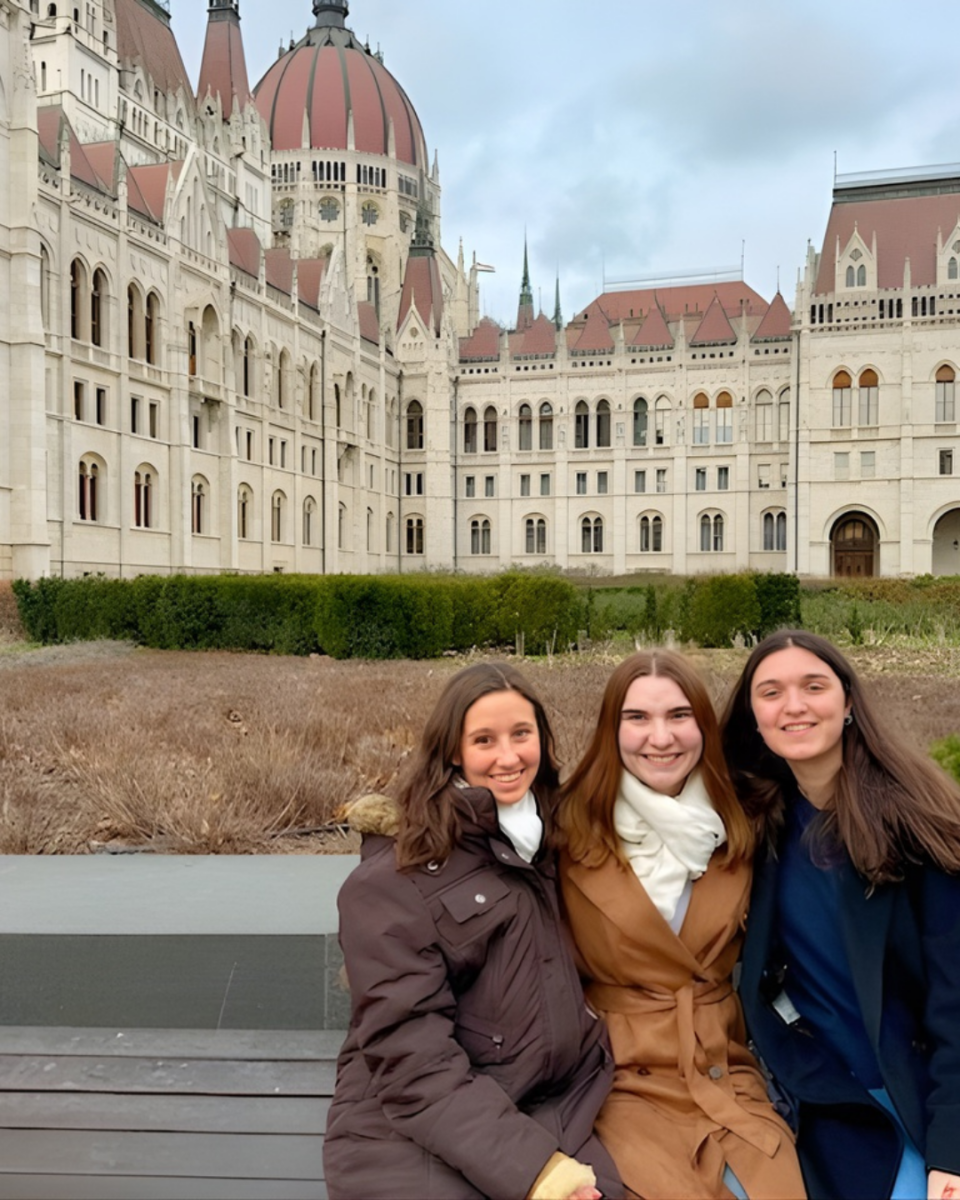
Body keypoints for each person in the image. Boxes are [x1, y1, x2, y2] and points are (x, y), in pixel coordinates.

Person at [324, 661, 622, 1200]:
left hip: (552, 1105)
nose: (508, 757)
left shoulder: (552, 839)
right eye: (484, 739)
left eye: (522, 734)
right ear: (453, 752)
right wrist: (537, 1172)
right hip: (414, 1124)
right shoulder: (393, 879)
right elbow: (412, 1060)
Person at [721, 629, 960, 1200]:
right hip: (817, 1096)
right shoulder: (756, 822)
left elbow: (956, 1005)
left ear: (849, 702)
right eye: (771, 692)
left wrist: (952, 1149)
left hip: (913, 1096)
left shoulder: (918, 826)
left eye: (813, 686)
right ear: (753, 715)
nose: (794, 706)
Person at [557, 651, 805, 1200]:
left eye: (678, 716)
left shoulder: (743, 822)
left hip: (725, 1068)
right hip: (616, 1080)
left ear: (704, 727)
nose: (661, 738)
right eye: (637, 718)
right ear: (610, 730)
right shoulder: (565, 832)